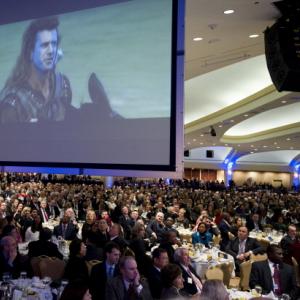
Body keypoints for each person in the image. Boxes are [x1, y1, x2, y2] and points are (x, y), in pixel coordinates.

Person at [0, 17, 74, 123]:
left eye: (54, 44)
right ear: (30, 51)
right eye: (44, 45)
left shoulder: (62, 85)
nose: (51, 51)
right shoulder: (14, 102)